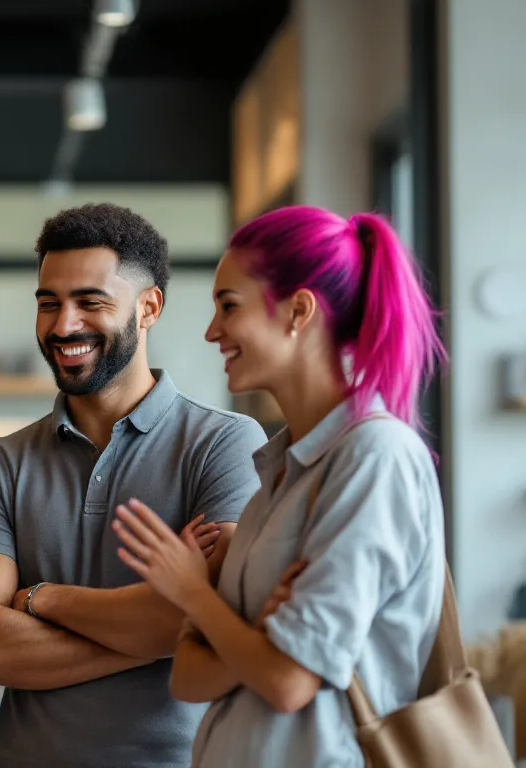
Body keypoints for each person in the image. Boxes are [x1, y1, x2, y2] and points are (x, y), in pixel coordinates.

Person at [112, 205, 447, 767]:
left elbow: (288, 683)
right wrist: (256, 642)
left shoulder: (374, 456)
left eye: (229, 306)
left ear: (298, 311)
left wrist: (193, 592)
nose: (211, 330)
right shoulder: (280, 472)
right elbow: (189, 678)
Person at [0, 203, 268, 767]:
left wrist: (39, 599)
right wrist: (160, 629)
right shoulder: (3, 461)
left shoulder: (225, 444)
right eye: (49, 304)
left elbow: (217, 617)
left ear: (150, 308)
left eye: (90, 302)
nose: (64, 325)